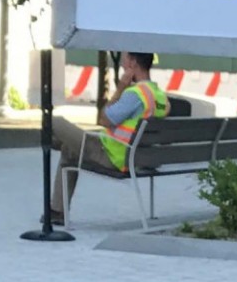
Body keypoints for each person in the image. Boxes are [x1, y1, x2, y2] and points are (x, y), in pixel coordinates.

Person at [48, 50, 169, 219]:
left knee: (54, 121)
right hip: (141, 158)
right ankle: (57, 211)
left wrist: (119, 89)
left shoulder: (135, 94)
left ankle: (53, 144)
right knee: (69, 150)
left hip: (113, 155)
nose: (122, 63)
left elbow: (104, 120)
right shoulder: (160, 97)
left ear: (133, 62)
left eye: (125, 59)